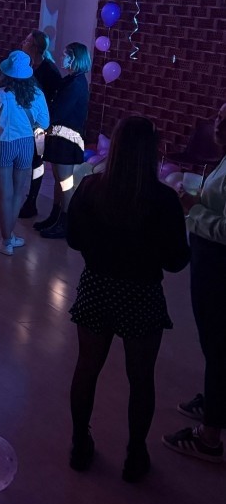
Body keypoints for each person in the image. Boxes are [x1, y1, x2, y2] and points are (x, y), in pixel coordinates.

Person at [66, 116, 190, 481]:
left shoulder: (90, 188)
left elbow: (73, 239)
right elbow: (177, 262)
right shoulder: (164, 200)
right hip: (142, 294)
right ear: (152, 152)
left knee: (87, 369)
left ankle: (79, 443)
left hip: (97, 287)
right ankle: (135, 454)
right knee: (141, 378)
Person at [162, 99, 226, 464]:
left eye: (225, 120)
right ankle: (217, 402)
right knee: (212, 339)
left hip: (220, 264)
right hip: (209, 259)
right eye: (217, 116)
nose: (217, 124)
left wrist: (193, 210)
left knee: (219, 343)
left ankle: (210, 438)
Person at [0, 49, 49, 255]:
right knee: (18, 193)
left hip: (2, 145)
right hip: (26, 145)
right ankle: (11, 235)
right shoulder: (37, 94)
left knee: (4, 195)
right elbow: (44, 122)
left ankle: (6, 240)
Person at [37, 42, 92, 240]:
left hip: (67, 137)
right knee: (58, 180)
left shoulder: (76, 85)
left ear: (75, 58)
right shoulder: (72, 80)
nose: (62, 58)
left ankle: (65, 222)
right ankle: (55, 215)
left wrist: (42, 120)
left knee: (65, 182)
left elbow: (59, 111)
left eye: (66, 55)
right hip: (61, 135)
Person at [19, 30, 63, 219]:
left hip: (39, 125)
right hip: (23, 122)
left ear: (35, 46)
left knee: (37, 161)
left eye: (27, 40)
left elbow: (55, 99)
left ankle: (32, 201)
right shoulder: (26, 66)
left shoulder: (49, 70)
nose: (23, 42)